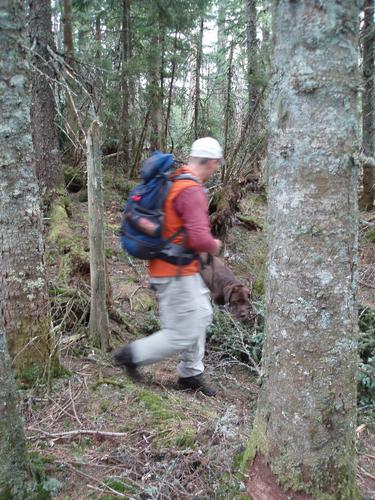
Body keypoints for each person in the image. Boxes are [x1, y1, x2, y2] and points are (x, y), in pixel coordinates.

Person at [113, 137, 223, 396]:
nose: (217, 168)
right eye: (217, 163)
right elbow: (199, 238)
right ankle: (131, 355)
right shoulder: (191, 190)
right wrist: (215, 245)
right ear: (209, 162)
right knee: (180, 333)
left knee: (202, 315)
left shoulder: (176, 180)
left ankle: (191, 374)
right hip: (175, 272)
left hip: (178, 268)